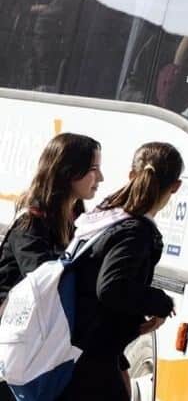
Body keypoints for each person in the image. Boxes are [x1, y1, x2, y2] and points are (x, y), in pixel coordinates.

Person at [56, 142, 182, 401]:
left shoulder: (105, 216)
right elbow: (112, 287)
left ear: (131, 175)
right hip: (92, 355)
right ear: (176, 186)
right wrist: (159, 301)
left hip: (75, 346)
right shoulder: (135, 230)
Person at [0, 132, 102, 401]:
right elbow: (47, 282)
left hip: (50, 352)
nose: (100, 178)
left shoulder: (80, 222)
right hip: (18, 356)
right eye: (94, 169)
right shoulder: (31, 223)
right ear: (70, 172)